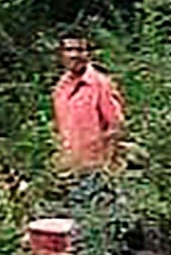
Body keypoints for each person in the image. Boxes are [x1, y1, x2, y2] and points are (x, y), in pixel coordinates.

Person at [52, 33, 126, 173]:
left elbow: (116, 126)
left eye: (80, 50)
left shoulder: (101, 84)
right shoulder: (60, 88)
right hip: (68, 166)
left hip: (96, 167)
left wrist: (108, 164)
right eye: (69, 50)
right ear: (61, 55)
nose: (74, 55)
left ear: (89, 55)